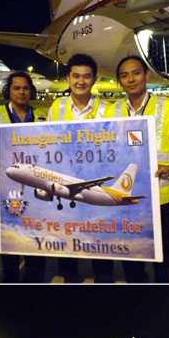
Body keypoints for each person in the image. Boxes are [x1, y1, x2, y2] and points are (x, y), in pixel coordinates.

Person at [105, 55, 169, 283]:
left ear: (147, 75)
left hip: (159, 193)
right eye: (124, 76)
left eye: (136, 73)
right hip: (125, 194)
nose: (131, 79)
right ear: (119, 81)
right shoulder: (111, 111)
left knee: (161, 251)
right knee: (131, 249)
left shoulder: (168, 107)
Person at [48, 53, 111, 283]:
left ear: (94, 79)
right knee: (67, 236)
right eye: (76, 76)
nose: (81, 81)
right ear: (68, 78)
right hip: (66, 181)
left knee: (100, 238)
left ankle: (104, 279)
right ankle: (70, 278)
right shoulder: (57, 107)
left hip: (94, 182)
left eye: (86, 76)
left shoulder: (108, 108)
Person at [0, 71, 47, 283]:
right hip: (3, 187)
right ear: (7, 91)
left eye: (26, 88)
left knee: (34, 235)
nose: (21, 92)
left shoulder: (42, 115)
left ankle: (34, 278)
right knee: (9, 237)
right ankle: (10, 279)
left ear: (32, 91)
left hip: (34, 187)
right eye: (16, 88)